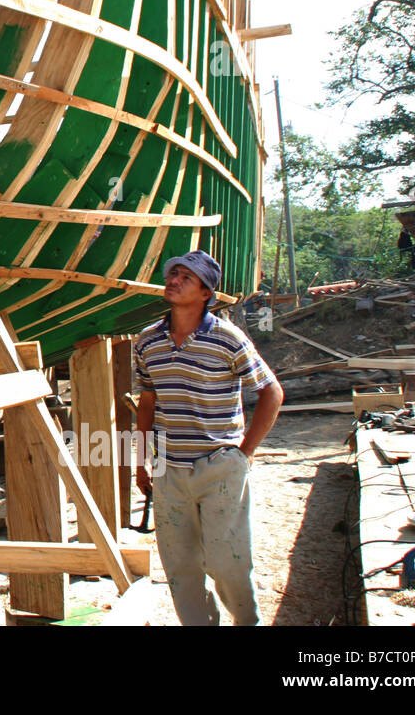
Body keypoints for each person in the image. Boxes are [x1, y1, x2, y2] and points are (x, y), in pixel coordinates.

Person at [132, 249, 284, 626]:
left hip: (220, 468)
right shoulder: (147, 342)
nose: (174, 280)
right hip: (170, 470)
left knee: (227, 563)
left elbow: (271, 392)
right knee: (181, 569)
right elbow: (147, 403)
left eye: (186, 277)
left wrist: (244, 454)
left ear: (205, 294)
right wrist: (140, 459)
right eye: (173, 274)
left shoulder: (229, 339)